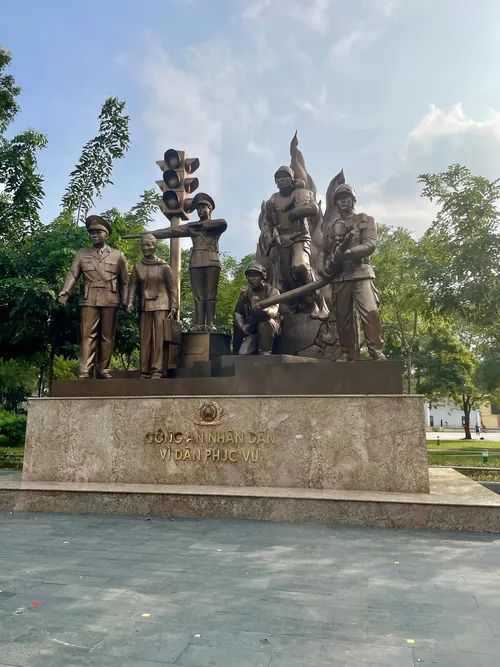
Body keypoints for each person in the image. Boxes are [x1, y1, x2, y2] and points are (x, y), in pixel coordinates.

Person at [132, 193, 227, 331]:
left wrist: (201, 226)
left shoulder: (213, 224)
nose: (200, 211)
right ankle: (199, 324)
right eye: (198, 208)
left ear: (210, 209)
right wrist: (152, 234)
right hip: (196, 262)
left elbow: (223, 223)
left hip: (212, 261)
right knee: (199, 295)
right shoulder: (191, 226)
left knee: (210, 295)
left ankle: (211, 324)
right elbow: (171, 231)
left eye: (203, 207)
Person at [318, 183, 386, 361]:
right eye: (339, 199)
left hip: (361, 272)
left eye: (346, 198)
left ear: (353, 200)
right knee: (342, 318)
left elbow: (370, 245)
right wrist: (323, 267)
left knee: (370, 311)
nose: (342, 202)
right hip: (340, 276)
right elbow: (324, 252)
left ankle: (376, 351)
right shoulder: (331, 227)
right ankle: (348, 353)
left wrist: (348, 253)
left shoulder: (365, 220)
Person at [58, 215, 129, 378]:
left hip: (110, 299)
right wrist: (66, 291)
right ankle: (85, 369)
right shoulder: (82, 253)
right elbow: (73, 273)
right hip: (89, 298)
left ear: (107, 235)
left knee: (107, 336)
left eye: (98, 232)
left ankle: (103, 369)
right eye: (91, 233)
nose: (94, 235)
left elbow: (125, 282)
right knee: (87, 335)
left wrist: (126, 301)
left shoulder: (118, 255)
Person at [261, 166, 326, 318]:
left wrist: (296, 212)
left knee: (300, 265)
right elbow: (267, 222)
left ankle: (317, 300)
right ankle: (298, 304)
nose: (282, 180)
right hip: (282, 240)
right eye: (279, 178)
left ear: (291, 179)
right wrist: (269, 237)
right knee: (286, 277)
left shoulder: (300, 193)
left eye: (285, 177)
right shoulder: (273, 200)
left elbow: (313, 209)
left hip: (300, 237)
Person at [126, 234, 178, 379]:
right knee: (145, 339)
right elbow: (132, 286)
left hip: (162, 305)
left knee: (159, 339)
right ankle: (145, 370)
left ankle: (157, 369)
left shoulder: (164, 266)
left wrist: (174, 307)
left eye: (149, 245)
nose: (146, 248)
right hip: (144, 306)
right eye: (143, 245)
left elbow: (173, 288)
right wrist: (129, 302)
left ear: (155, 246)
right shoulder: (138, 266)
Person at [234, 261, 281, 355]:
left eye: (256, 275)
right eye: (250, 276)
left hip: (270, 325)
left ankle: (265, 353)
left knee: (265, 323)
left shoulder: (272, 291)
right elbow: (237, 313)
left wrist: (264, 311)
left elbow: (274, 310)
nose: (252, 279)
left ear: (263, 277)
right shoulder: (244, 293)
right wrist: (243, 326)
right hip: (251, 328)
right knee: (243, 353)